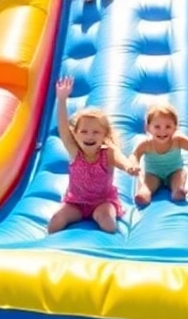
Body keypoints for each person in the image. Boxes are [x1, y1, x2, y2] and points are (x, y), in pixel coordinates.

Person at [48, 76, 140, 234]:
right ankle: (46, 247)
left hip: (102, 202)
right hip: (75, 203)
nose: (89, 136)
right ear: (75, 134)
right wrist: (62, 99)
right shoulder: (74, 151)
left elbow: (122, 160)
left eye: (96, 132)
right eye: (84, 132)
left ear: (105, 135)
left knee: (108, 223)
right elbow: (63, 127)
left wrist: (129, 167)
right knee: (56, 220)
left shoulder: (108, 152)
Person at [129, 104, 188, 205]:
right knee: (148, 184)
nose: (162, 131)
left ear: (175, 127)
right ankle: (144, 194)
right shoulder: (146, 144)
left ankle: (177, 191)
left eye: (168, 126)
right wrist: (134, 164)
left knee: (179, 176)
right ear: (148, 128)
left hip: (174, 171)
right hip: (153, 173)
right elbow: (134, 155)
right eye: (157, 127)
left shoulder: (178, 140)